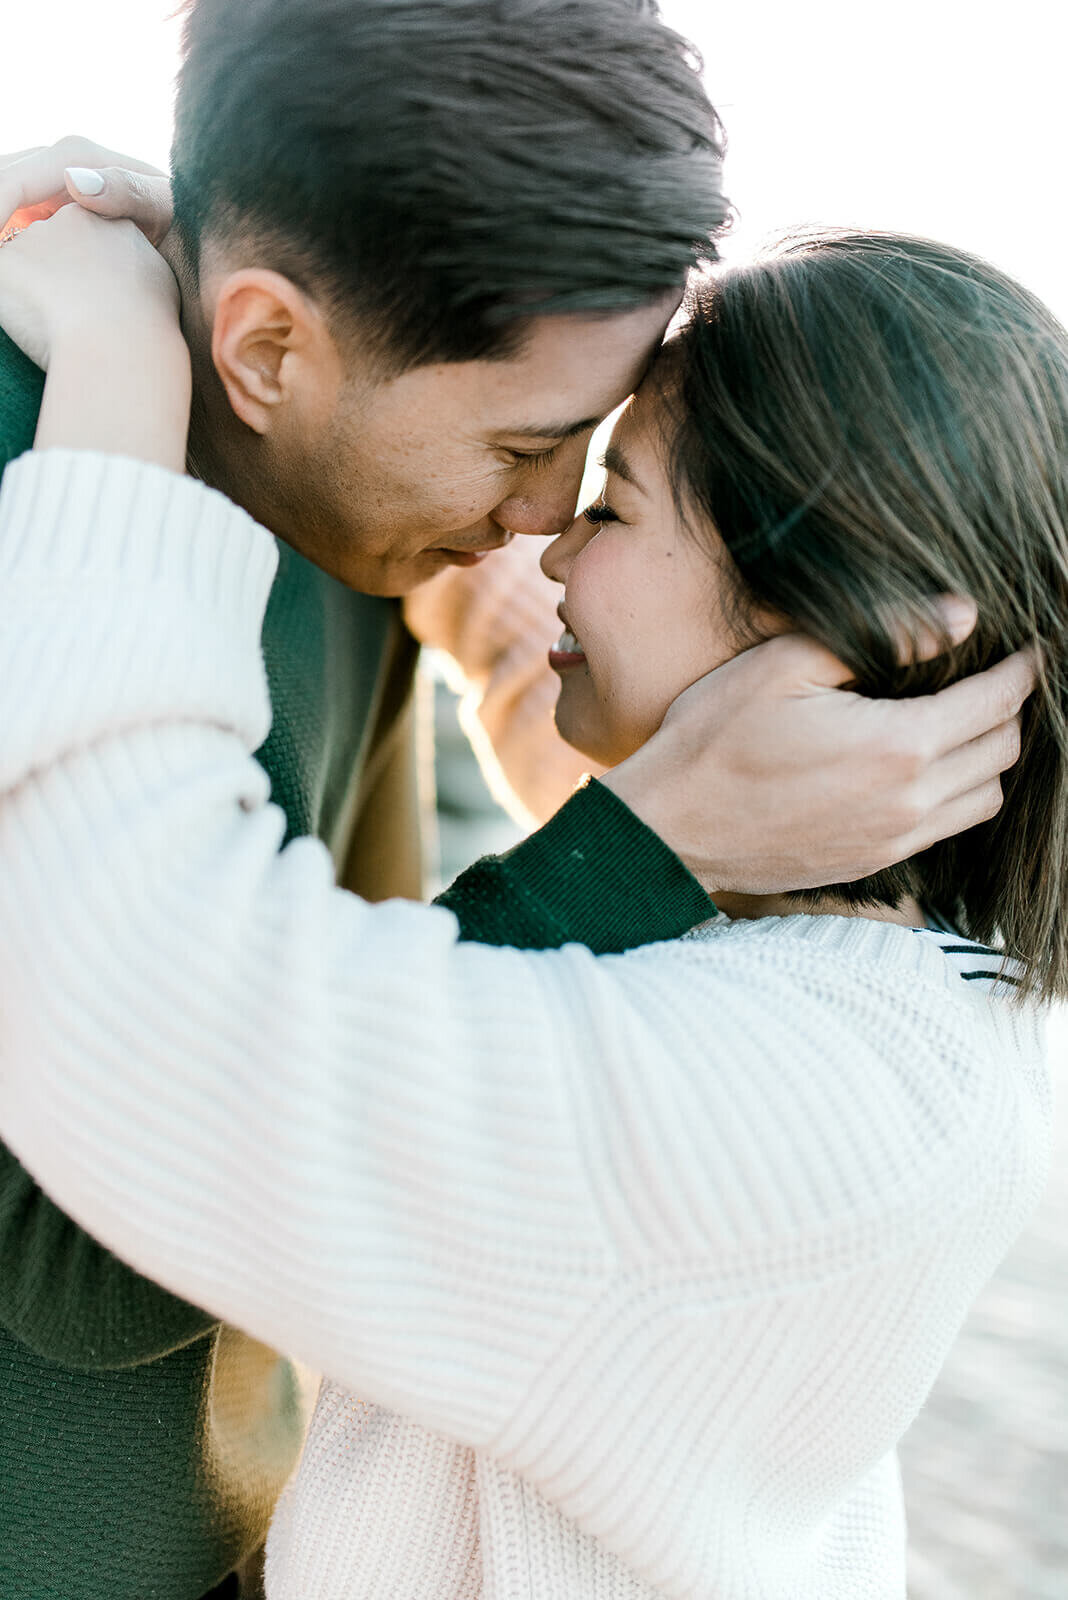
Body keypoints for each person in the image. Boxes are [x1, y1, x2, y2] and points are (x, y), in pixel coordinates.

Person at [0, 180, 1051, 1600]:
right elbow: (545, 656)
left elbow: (169, 1066)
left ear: (852, 626)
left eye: (606, 502)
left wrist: (125, 359)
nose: (542, 538)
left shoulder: (756, 1101)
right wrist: (299, 344)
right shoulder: (905, 990)